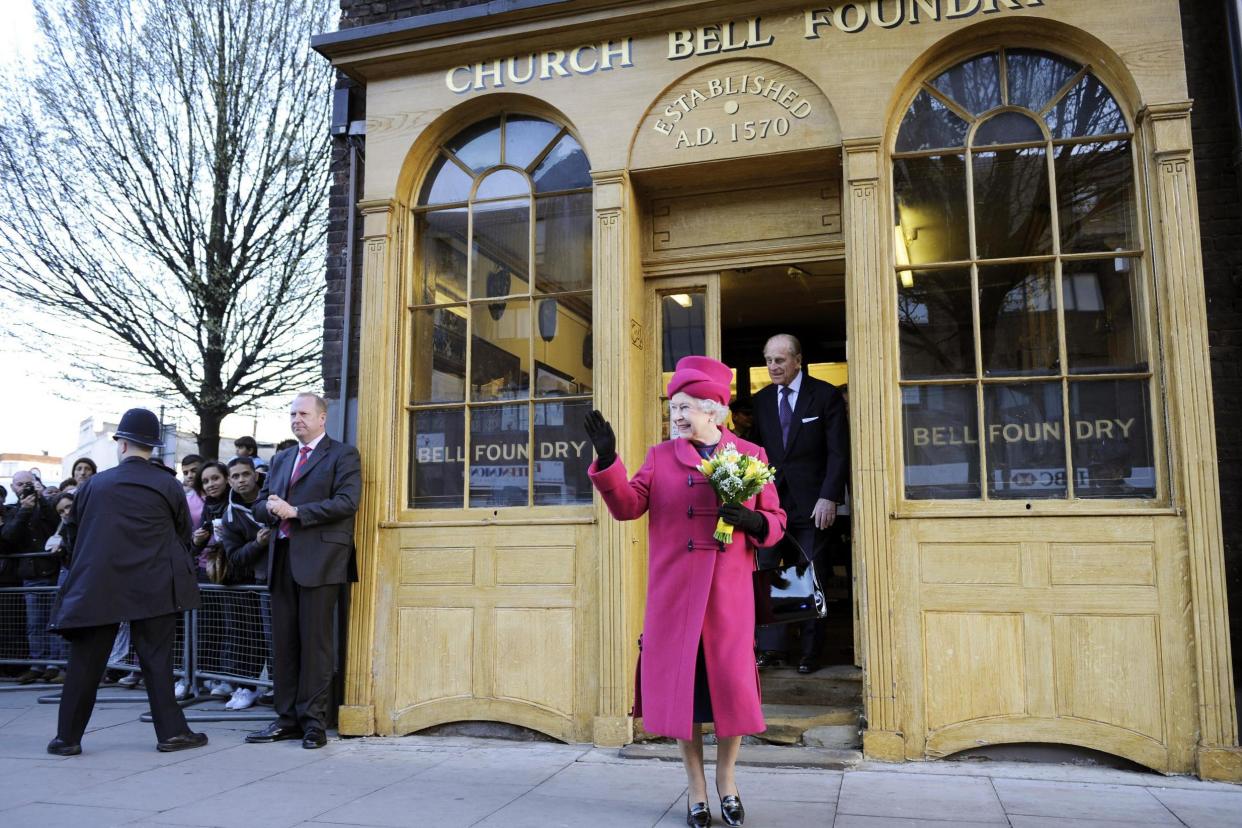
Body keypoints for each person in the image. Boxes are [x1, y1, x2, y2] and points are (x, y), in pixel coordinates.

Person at [584, 356, 786, 828]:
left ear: (714, 411)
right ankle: (696, 789)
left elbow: (776, 523)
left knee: (731, 696)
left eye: (686, 408)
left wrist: (755, 521)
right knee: (685, 698)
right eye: (673, 407)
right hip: (675, 600)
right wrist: (609, 461)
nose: (676, 416)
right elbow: (627, 507)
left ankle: (727, 781)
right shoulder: (660, 457)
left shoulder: (751, 456)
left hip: (727, 602)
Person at [47, 407, 207, 756]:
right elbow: (183, 535)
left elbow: (73, 538)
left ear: (121, 443)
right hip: (153, 585)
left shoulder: (92, 485)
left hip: (98, 585)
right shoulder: (168, 484)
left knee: (85, 663)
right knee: (156, 661)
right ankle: (172, 734)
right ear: (153, 447)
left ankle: (67, 738)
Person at [245, 393, 361, 750]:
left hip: (320, 562)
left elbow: (347, 502)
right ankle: (286, 720)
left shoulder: (343, 454)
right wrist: (270, 508)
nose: (297, 419)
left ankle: (314, 722)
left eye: (304, 413)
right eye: (292, 414)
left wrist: (296, 512)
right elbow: (261, 503)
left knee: (316, 645)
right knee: (284, 645)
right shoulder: (281, 458)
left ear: (322, 417)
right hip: (281, 562)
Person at [750, 334, 849, 674]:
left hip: (814, 503)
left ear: (797, 360)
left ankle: (810, 651)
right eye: (768, 360)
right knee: (775, 573)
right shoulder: (762, 401)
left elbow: (838, 452)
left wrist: (830, 496)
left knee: (811, 574)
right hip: (773, 505)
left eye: (779, 360)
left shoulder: (825, 396)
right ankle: (774, 649)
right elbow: (757, 454)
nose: (773, 367)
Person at [3, 469, 65, 684]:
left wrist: (42, 501)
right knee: (34, 624)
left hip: (52, 572)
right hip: (30, 575)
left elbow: (58, 525)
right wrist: (24, 511)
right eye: (20, 485)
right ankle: (38, 664)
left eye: (29, 483)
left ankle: (55, 665)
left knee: (54, 622)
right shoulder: (13, 511)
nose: (25, 488)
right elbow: (7, 539)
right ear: (13, 488)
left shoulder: (47, 506)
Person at [218, 456, 269, 710]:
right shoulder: (230, 516)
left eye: (245, 474)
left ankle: (276, 686)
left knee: (278, 639)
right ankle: (247, 686)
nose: (241, 480)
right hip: (255, 583)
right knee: (251, 637)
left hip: (287, 576)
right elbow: (235, 557)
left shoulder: (274, 496)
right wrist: (258, 544)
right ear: (229, 480)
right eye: (235, 476)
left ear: (255, 475)